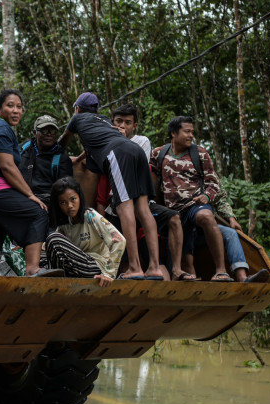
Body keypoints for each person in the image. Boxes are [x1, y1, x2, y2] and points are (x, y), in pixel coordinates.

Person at [57, 92, 162, 280]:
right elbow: (94, 144)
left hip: (118, 153)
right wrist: (80, 158)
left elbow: (61, 144)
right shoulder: (104, 121)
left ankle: (135, 268)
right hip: (135, 152)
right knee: (143, 209)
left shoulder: (77, 118)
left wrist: (57, 152)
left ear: (78, 109)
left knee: (124, 207)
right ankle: (154, 268)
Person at [0, 89, 61, 278]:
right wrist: (30, 195)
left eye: (19, 107)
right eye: (10, 106)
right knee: (38, 213)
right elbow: (7, 167)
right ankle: (33, 269)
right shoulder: (1, 128)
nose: (16, 110)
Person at [149, 116, 232, 281]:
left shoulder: (199, 153)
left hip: (194, 206)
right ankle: (177, 271)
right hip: (172, 212)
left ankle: (221, 270)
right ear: (174, 133)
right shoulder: (158, 154)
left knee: (206, 216)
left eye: (192, 132)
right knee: (178, 267)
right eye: (187, 131)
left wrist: (206, 196)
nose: (191, 135)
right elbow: (152, 184)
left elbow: (214, 184)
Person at [108, 103, 184, 281]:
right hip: (116, 205)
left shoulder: (142, 141)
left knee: (174, 217)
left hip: (140, 201)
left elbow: (134, 167)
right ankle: (133, 272)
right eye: (119, 121)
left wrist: (121, 139)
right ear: (112, 122)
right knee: (123, 254)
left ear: (134, 125)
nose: (122, 126)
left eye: (127, 122)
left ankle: (176, 269)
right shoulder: (107, 141)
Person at [46, 177, 125, 287]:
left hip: (96, 267)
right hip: (76, 268)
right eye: (63, 202)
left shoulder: (90, 215)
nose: (69, 206)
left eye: (73, 199)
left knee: (53, 238)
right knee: (43, 254)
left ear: (80, 197)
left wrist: (108, 274)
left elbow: (119, 240)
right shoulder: (64, 224)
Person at [18, 115, 73, 205]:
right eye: (44, 131)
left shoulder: (62, 159)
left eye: (52, 131)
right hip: (19, 195)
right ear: (35, 133)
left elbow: (65, 190)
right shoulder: (23, 149)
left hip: (45, 202)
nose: (49, 134)